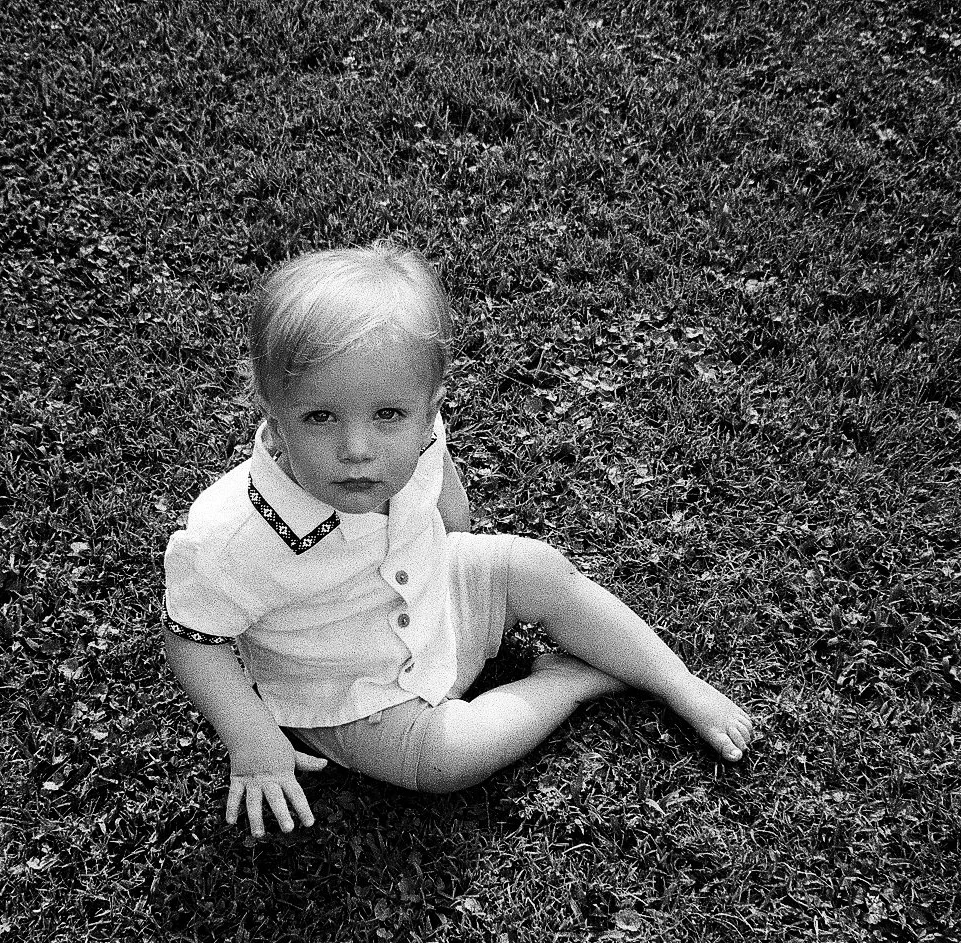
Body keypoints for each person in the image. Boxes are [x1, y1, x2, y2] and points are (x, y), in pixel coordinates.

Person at [161, 242, 754, 838]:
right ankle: (563, 684)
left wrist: (455, 542)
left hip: (437, 599)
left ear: (428, 407)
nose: (358, 448)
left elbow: (442, 478)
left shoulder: (416, 438)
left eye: (388, 415)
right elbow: (193, 638)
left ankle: (677, 682)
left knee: (535, 567)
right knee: (446, 761)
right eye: (320, 417)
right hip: (353, 695)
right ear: (272, 409)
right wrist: (253, 740)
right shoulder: (234, 534)